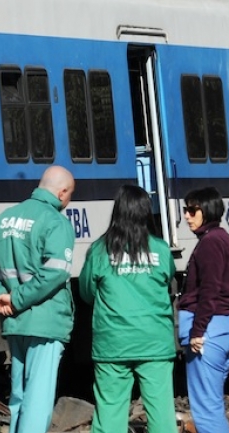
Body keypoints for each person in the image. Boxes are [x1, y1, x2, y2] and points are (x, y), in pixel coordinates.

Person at [0, 165, 77, 433]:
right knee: (38, 399)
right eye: (69, 195)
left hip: (15, 323)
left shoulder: (4, 219)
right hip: (45, 322)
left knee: (18, 397)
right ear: (62, 192)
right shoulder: (56, 222)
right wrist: (16, 298)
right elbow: (55, 274)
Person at [78, 184, 176, 433]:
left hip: (113, 343)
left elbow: (87, 292)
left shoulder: (99, 250)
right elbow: (167, 281)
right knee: (162, 413)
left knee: (110, 412)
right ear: (146, 212)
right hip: (154, 342)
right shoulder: (161, 249)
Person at [178, 187, 229, 433]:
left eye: (192, 210)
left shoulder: (210, 243)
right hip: (224, 328)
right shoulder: (225, 240)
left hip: (208, 333)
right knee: (213, 406)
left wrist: (197, 331)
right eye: (185, 210)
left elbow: (210, 289)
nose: (186, 216)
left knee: (206, 412)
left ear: (207, 210)